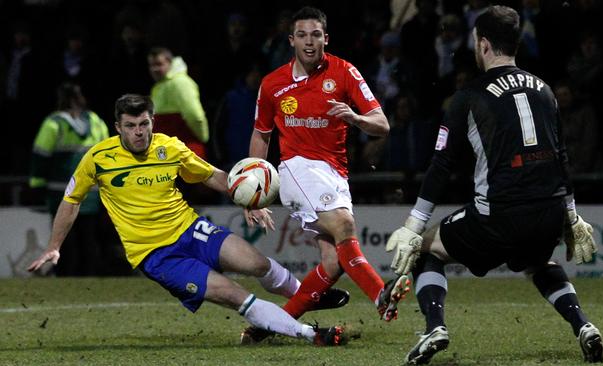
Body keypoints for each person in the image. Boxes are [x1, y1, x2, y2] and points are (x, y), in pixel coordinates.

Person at [27, 94, 348, 346]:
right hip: (156, 255)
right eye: (130, 126)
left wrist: (246, 198)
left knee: (257, 263)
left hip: (191, 229)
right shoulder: (98, 159)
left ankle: (308, 297)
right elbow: (71, 201)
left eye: (144, 124)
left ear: (152, 121)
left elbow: (210, 176)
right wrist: (55, 246)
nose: (139, 133)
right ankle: (310, 334)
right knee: (234, 294)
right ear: (118, 127)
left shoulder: (170, 147)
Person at [385, 6, 603, 364]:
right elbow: (562, 158)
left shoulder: (470, 96)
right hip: (548, 212)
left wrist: (413, 225)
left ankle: (434, 328)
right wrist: (572, 216)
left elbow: (442, 163)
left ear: (484, 44)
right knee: (538, 260)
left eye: (475, 40)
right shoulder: (546, 90)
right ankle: (583, 325)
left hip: (498, 217)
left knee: (428, 250)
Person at [244, 6, 410, 344]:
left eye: (315, 35)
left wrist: (355, 118)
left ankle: (269, 327)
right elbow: (261, 136)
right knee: (345, 227)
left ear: (326, 38)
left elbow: (382, 125)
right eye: (302, 35)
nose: (309, 42)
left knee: (333, 262)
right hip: (295, 168)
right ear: (291, 40)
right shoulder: (273, 84)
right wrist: (252, 193)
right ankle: (381, 296)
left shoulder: (345, 71)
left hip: (335, 173)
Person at [29, 82, 110, 276]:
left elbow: (40, 157)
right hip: (91, 194)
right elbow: (107, 156)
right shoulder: (96, 121)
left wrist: (36, 186)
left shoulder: (54, 123)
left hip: (60, 193)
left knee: (64, 240)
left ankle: (66, 278)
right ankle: (89, 278)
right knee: (89, 238)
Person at [148, 47, 209, 159]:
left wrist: (203, 137)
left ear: (170, 63)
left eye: (159, 64)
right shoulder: (160, 86)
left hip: (186, 149)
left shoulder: (181, 83)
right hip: (170, 151)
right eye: (151, 65)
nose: (154, 69)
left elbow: (196, 116)